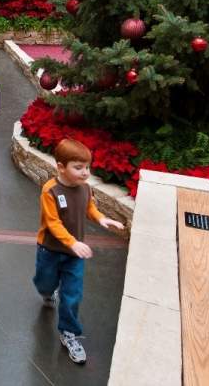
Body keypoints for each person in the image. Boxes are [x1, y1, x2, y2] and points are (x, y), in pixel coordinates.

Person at [32, 138, 124, 365]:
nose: (85, 173)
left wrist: (102, 219)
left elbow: (89, 207)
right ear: (61, 167)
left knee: (72, 294)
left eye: (87, 167)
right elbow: (52, 223)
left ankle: (69, 333)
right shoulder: (50, 191)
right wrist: (71, 242)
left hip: (75, 255)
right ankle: (46, 291)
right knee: (45, 283)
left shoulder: (85, 188)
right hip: (50, 250)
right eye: (79, 167)